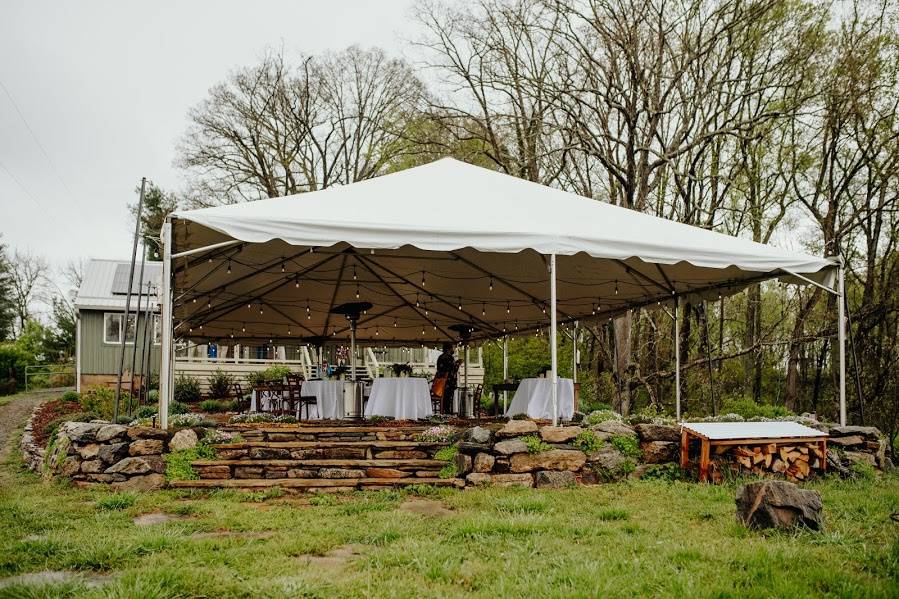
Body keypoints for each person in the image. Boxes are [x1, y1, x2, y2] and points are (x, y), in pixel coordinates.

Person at [435, 342, 459, 414]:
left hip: (440, 382)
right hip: (449, 382)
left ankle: (444, 412)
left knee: (445, 399)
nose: (453, 350)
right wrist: (458, 363)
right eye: (452, 348)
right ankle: (447, 413)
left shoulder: (440, 357)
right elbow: (454, 369)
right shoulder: (450, 358)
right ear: (448, 349)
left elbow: (439, 369)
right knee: (448, 398)